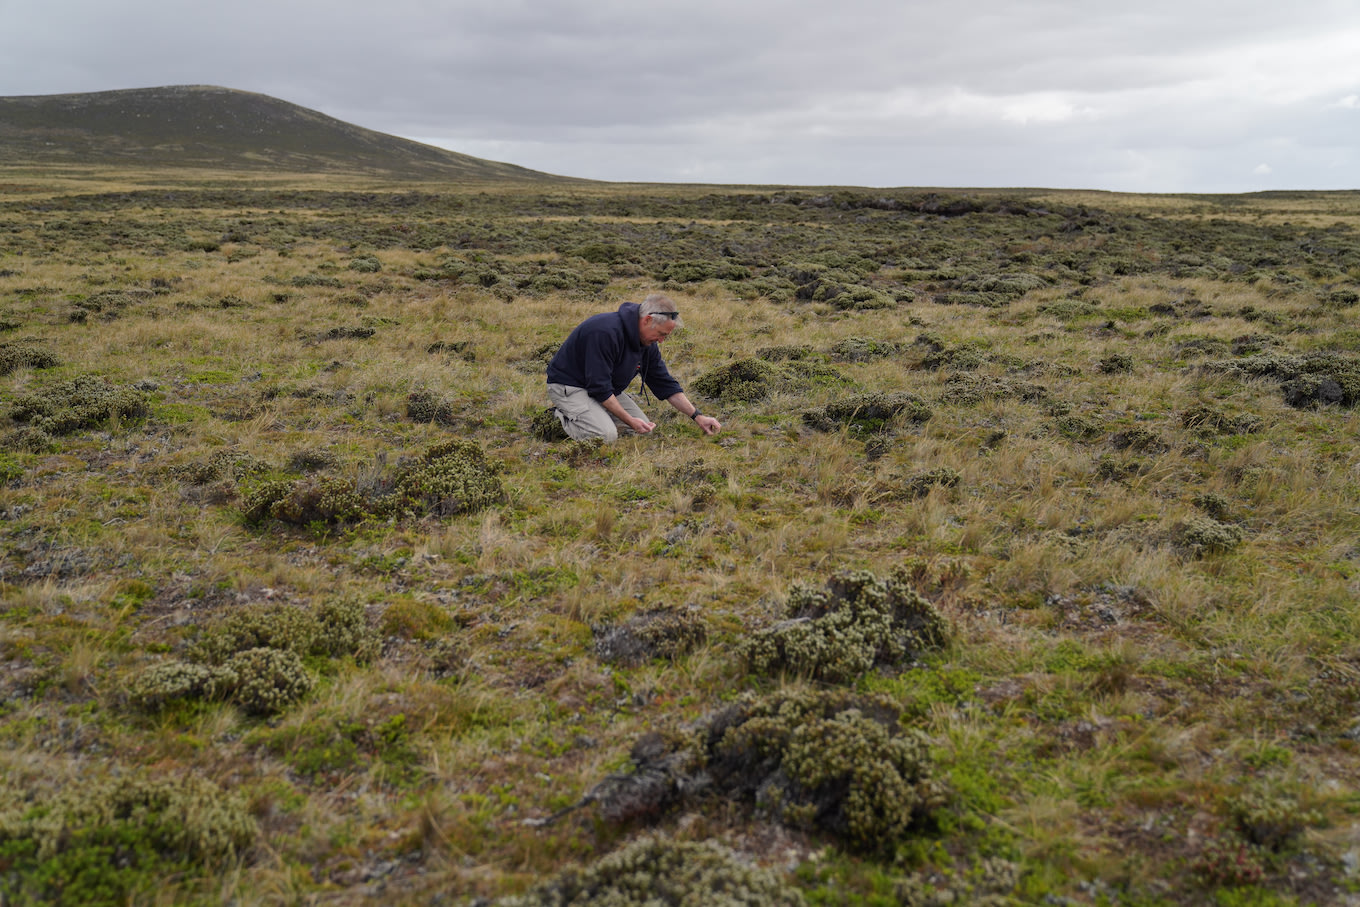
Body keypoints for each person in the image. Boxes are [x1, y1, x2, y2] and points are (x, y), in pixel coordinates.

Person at [546, 293, 722, 441]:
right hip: (570, 386)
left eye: (666, 336)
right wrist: (630, 420)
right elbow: (599, 386)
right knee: (605, 436)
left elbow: (664, 383)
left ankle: (591, 416)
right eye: (661, 334)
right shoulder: (605, 332)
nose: (661, 341)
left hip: (603, 389)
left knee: (642, 430)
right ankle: (557, 419)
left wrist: (697, 416)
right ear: (647, 320)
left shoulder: (647, 343)